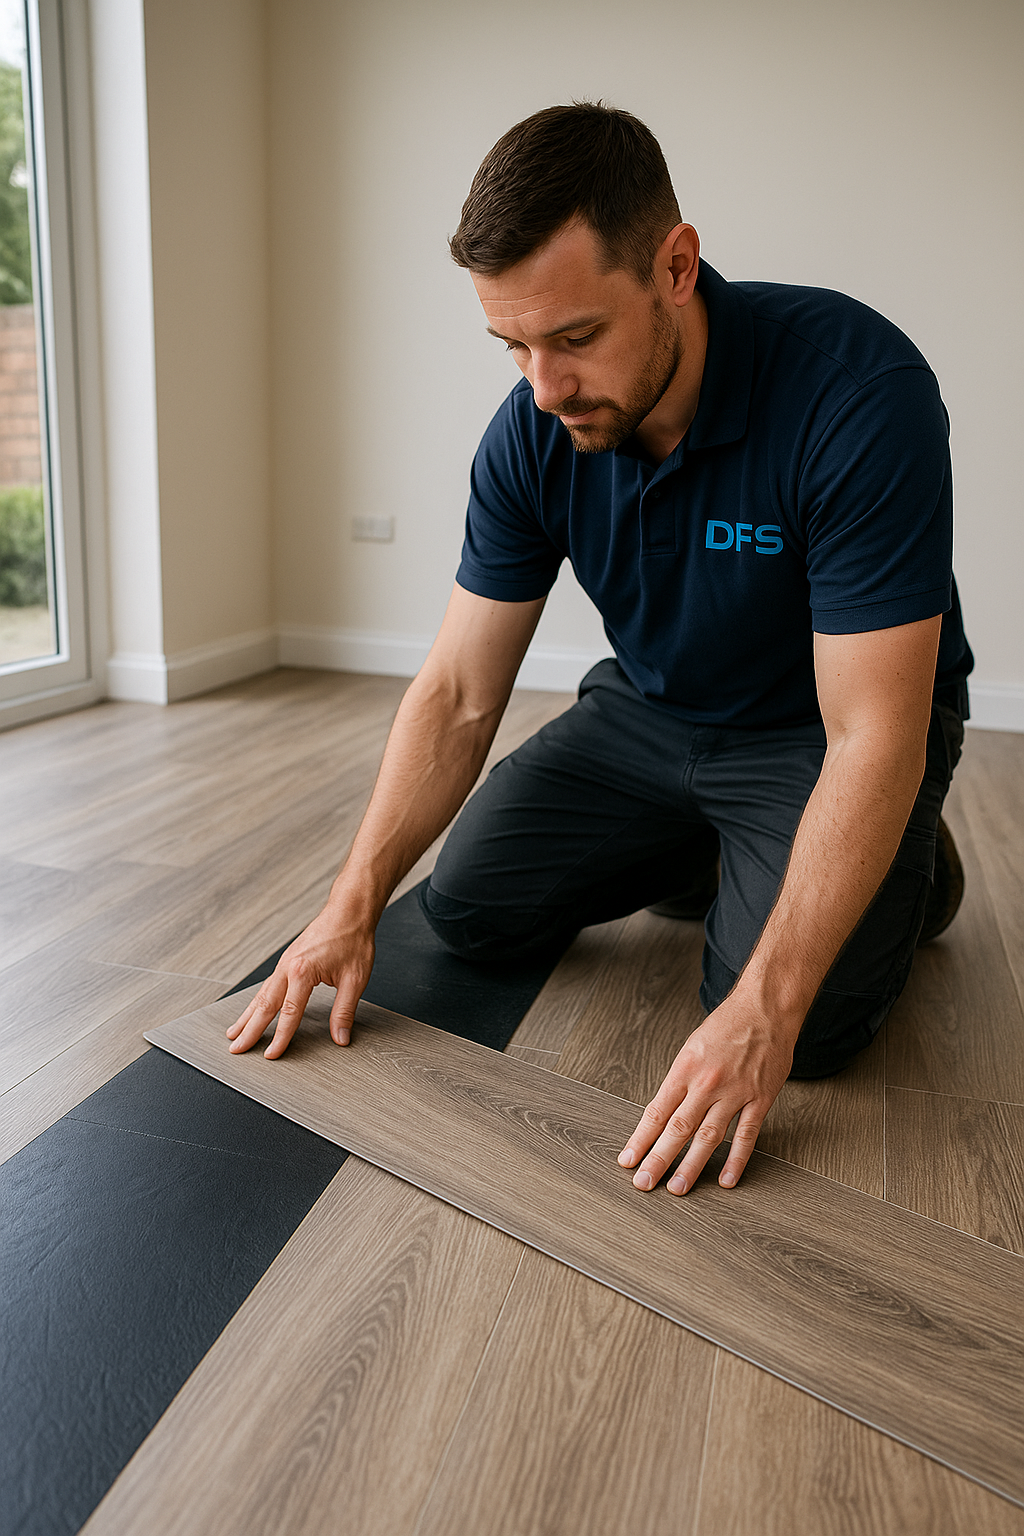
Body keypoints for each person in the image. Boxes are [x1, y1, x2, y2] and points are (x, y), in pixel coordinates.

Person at [228, 102, 972, 1197]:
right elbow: (458, 691)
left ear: (675, 265)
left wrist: (759, 1011)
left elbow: (872, 730)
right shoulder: (531, 431)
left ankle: (911, 870)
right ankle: (715, 848)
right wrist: (347, 904)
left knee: (806, 1036)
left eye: (574, 337)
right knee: (468, 907)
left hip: (821, 733)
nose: (543, 386)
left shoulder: (855, 395)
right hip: (652, 713)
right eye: (512, 345)